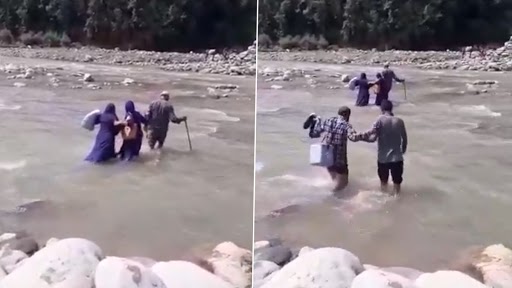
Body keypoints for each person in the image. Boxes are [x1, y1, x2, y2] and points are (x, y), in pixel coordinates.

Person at [362, 100, 407, 195]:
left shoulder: (379, 120)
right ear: (391, 109)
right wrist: (402, 151)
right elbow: (405, 139)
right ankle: (397, 202)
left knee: (383, 183)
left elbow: (372, 138)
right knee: (397, 183)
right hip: (397, 158)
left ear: (381, 109)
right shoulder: (399, 121)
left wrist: (361, 138)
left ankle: (384, 201)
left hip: (383, 159)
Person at [312, 106, 361, 192]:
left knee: (334, 179)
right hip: (340, 159)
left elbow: (318, 131)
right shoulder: (346, 125)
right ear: (347, 115)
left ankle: (330, 194)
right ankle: (333, 197)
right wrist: (362, 135)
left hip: (327, 157)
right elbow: (353, 138)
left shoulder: (329, 121)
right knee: (344, 184)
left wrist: (317, 122)